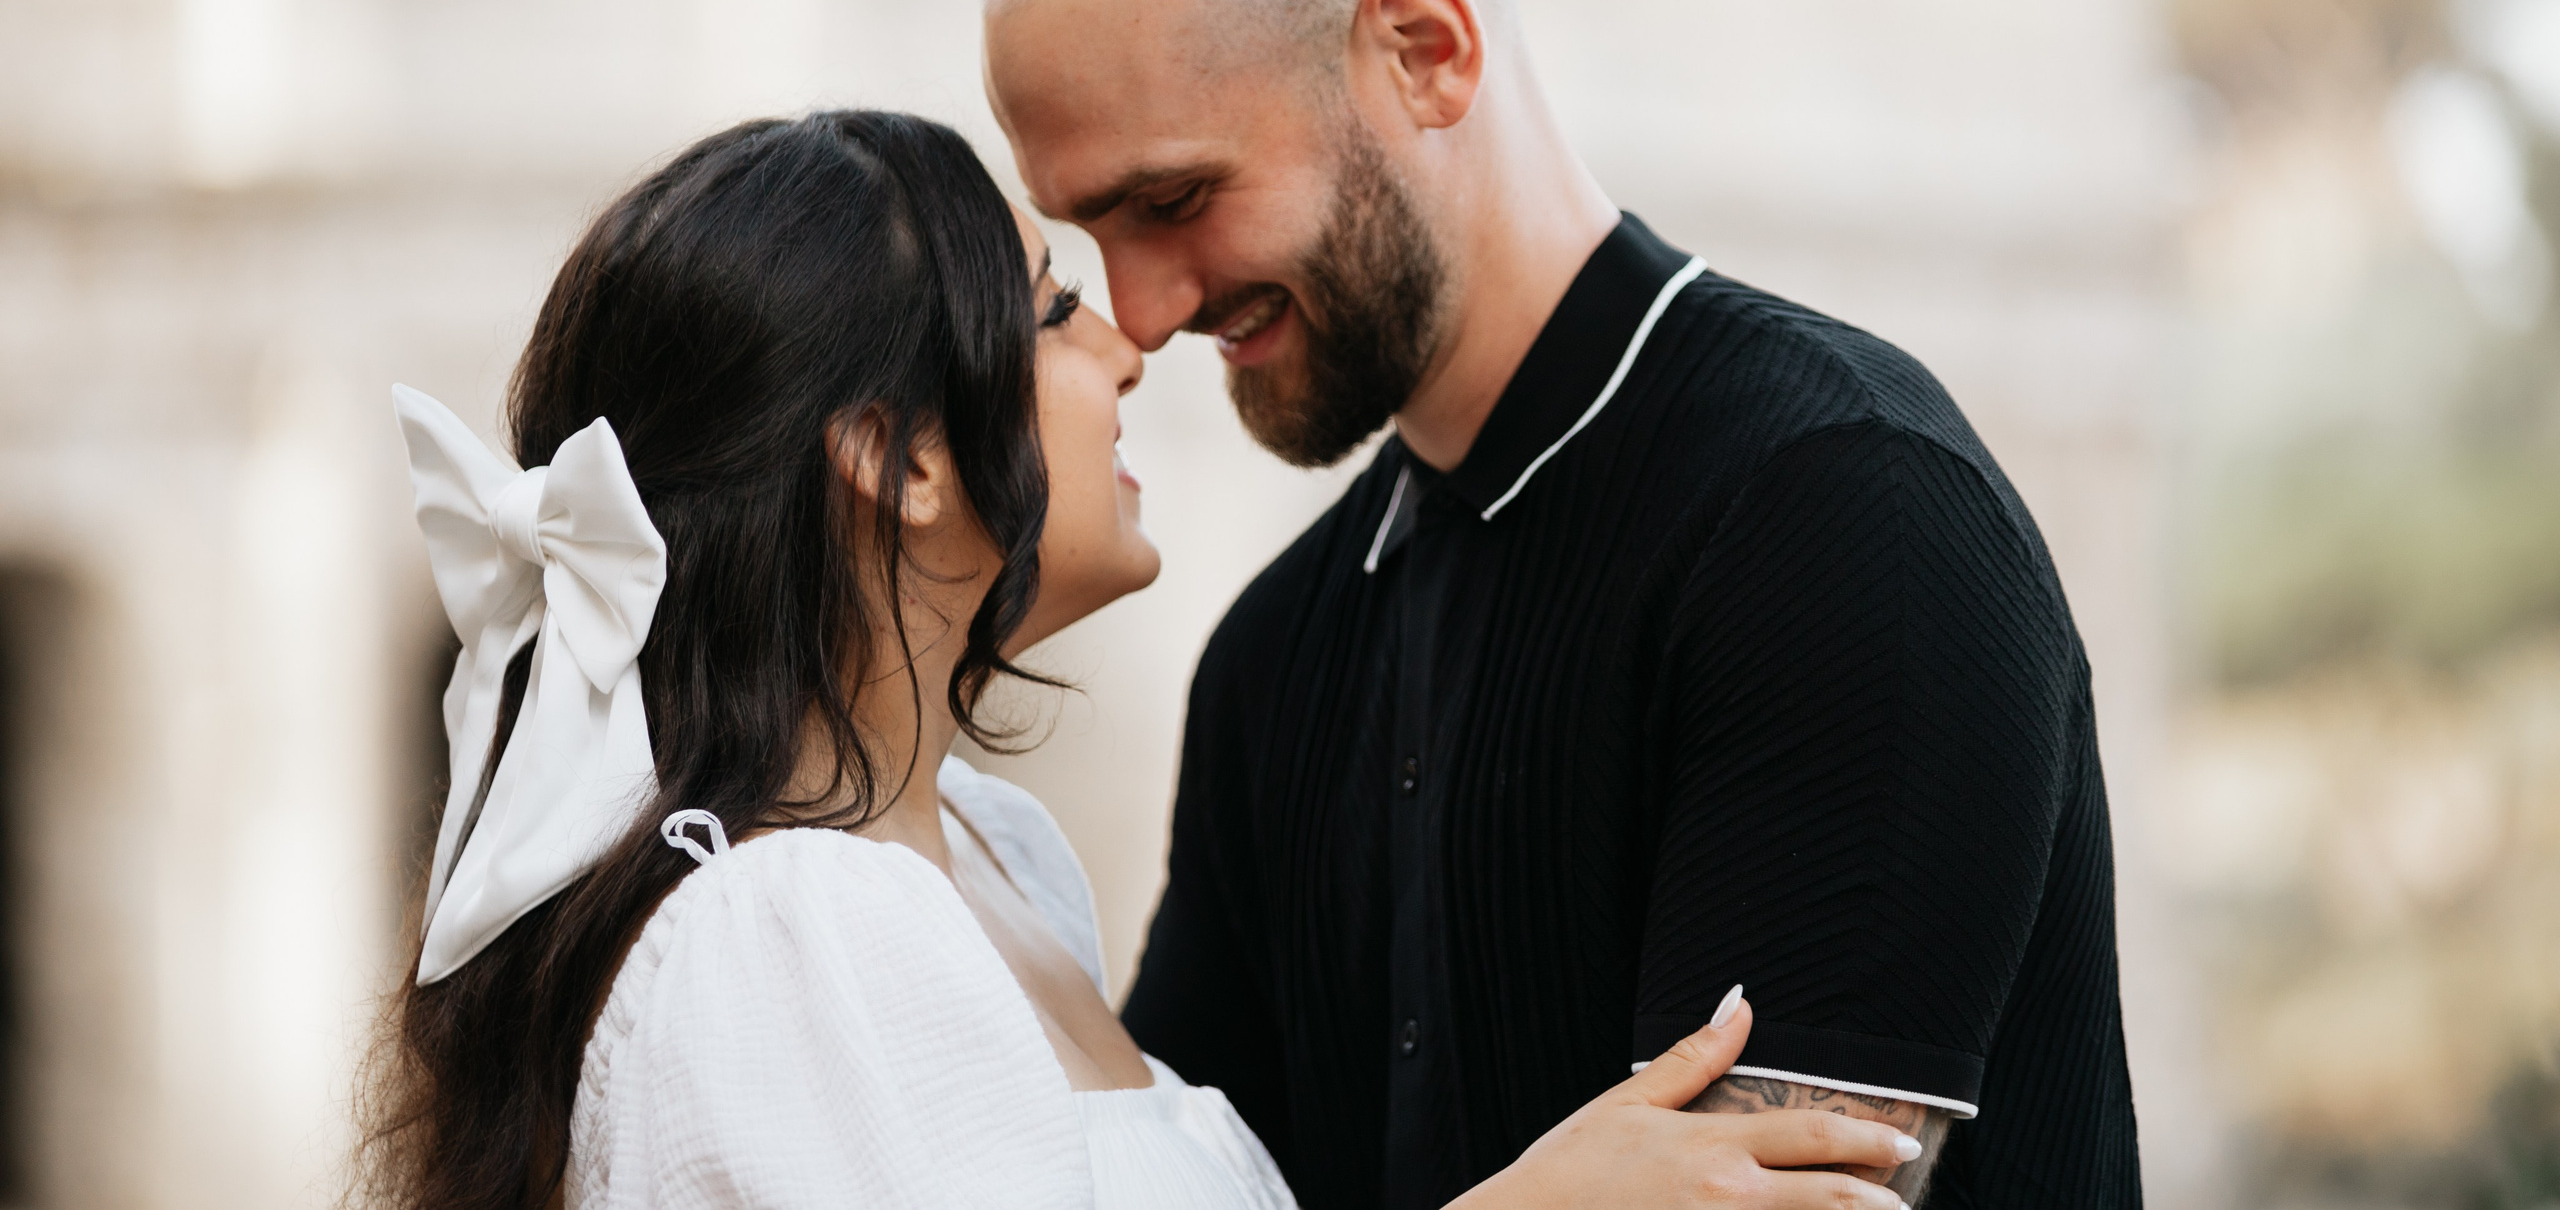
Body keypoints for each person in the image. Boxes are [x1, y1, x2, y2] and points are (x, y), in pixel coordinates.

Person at [352, 110, 1920, 1210]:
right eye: (1048, 313)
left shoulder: (988, 863)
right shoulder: (788, 932)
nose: (1124, 343)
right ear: (893, 461)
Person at [982, 0, 2145, 1210]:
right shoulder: (1276, 662)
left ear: (1426, 47)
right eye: (1089, 232)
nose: (1140, 312)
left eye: (1176, 197)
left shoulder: (1841, 513)